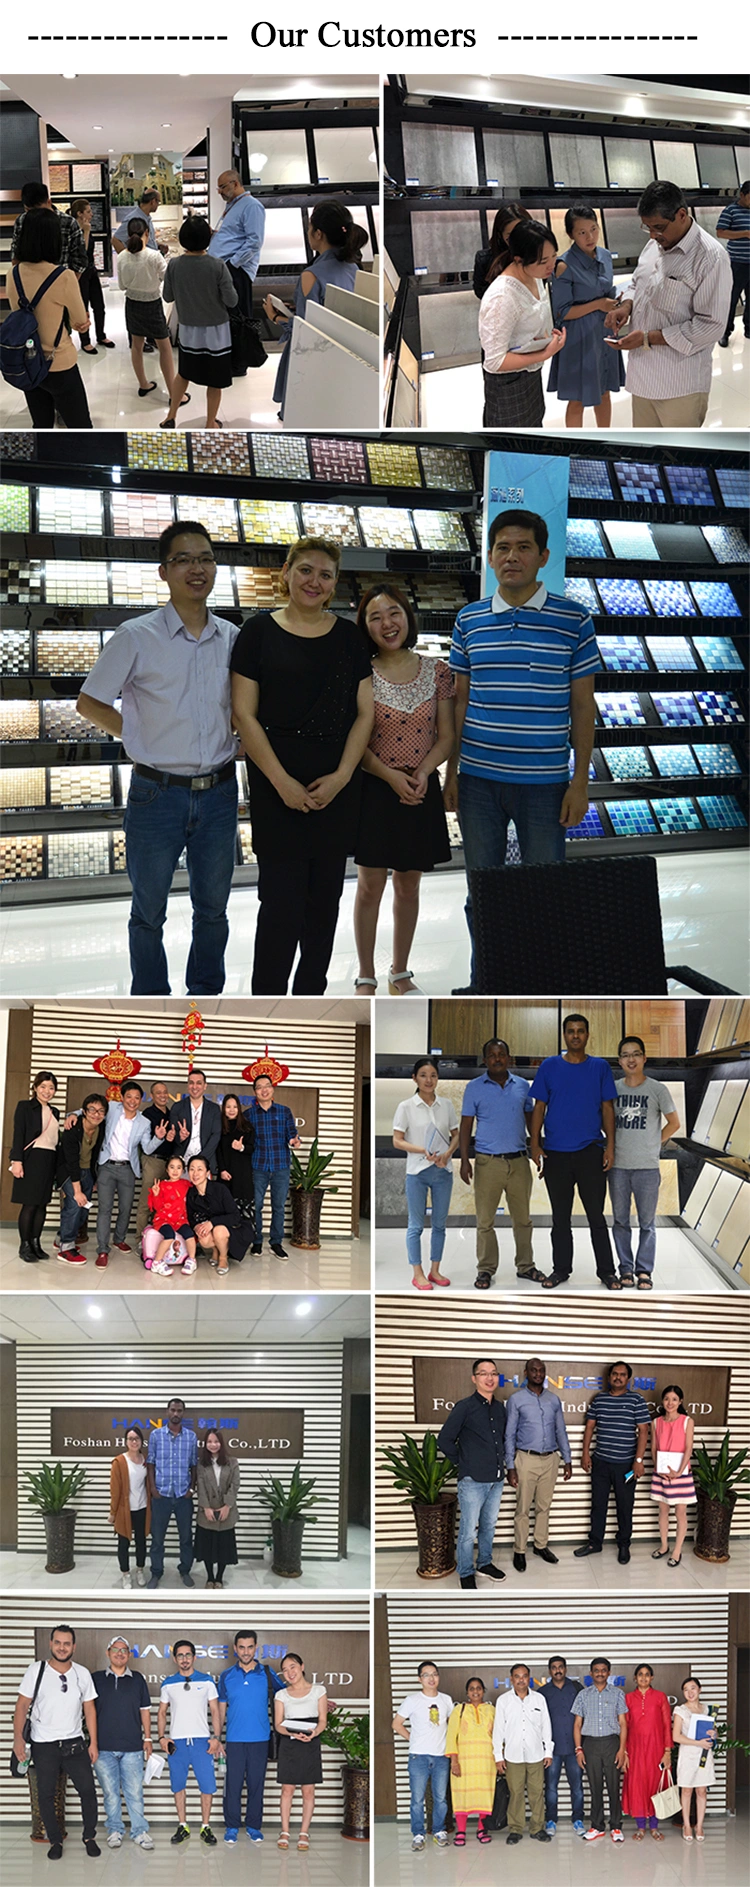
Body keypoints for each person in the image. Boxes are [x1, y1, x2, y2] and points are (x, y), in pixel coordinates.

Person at [77, 521, 240, 995]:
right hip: (156, 794)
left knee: (213, 909)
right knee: (148, 912)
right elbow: (90, 702)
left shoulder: (232, 636)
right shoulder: (136, 635)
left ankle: (205, 995)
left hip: (219, 791)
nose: (197, 568)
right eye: (184, 560)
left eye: (206, 559)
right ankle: (150, 996)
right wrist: (140, 733)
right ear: (164, 571)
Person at [445, 512, 598, 986]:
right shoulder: (469, 620)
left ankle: (539, 978)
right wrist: (451, 775)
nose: (512, 556)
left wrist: (579, 782)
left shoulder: (573, 619)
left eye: (524, 547)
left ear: (543, 556)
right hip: (477, 783)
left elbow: (582, 706)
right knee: (483, 892)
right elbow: (460, 701)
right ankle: (485, 978)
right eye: (503, 547)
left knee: (544, 891)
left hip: (545, 785)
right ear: (490, 556)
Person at [230, 535, 373, 994]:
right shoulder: (257, 632)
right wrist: (281, 783)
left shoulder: (350, 637)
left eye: (325, 575)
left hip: (336, 785)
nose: (314, 581)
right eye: (306, 570)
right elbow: (243, 714)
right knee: (279, 904)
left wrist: (343, 776)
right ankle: (267, 996)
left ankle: (311, 989)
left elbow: (365, 713)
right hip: (276, 784)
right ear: (286, 573)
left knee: (325, 902)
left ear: (334, 586)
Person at [353, 585, 454, 996]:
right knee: (370, 883)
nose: (386, 624)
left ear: (408, 616)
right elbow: (355, 742)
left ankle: (400, 971)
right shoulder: (360, 670)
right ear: (365, 626)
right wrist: (391, 775)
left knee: (409, 883)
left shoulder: (438, 670)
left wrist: (424, 773)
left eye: (393, 613)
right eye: (375, 617)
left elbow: (446, 735)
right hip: (375, 787)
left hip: (420, 785)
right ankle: (365, 973)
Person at [604, 179, 732, 427]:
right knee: (646, 455)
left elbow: (711, 326)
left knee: (680, 458)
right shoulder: (655, 243)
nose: (653, 235)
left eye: (659, 227)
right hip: (642, 378)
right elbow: (637, 284)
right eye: (647, 228)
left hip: (680, 385)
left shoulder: (711, 257)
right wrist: (626, 306)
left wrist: (646, 338)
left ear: (681, 215)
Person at [529, 1013, 618, 1290]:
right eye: (571, 1031)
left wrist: (610, 1147)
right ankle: (561, 1270)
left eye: (580, 1031)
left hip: (591, 1151)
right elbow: (539, 1108)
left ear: (587, 1035)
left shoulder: (600, 1067)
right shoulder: (549, 1066)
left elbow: (607, 1109)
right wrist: (535, 1144)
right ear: (564, 1035)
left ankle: (607, 1271)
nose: (576, 1035)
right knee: (560, 1218)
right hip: (555, 1154)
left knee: (596, 1217)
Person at [264, 201, 367, 420]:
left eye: (310, 228)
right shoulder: (354, 267)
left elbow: (305, 328)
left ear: (318, 234)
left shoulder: (311, 275)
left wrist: (275, 316)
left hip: (311, 358)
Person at [459, 1038, 541, 1289]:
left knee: (523, 1220)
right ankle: (485, 1270)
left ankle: (525, 1266)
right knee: (485, 1221)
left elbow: (531, 1121)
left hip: (518, 1162)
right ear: (485, 1060)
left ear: (509, 1058)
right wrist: (464, 1160)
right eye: (492, 1055)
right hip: (487, 1163)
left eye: (502, 1054)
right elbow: (465, 1126)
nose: (497, 1058)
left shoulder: (522, 1086)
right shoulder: (474, 1087)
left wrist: (537, 1148)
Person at [13, 1625, 100, 1861]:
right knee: (46, 1795)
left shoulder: (82, 1673)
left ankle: (89, 1837)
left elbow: (89, 1709)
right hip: (44, 1745)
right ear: (51, 1644)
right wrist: (18, 1739)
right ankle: (55, 1840)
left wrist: (93, 1743)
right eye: (58, 1643)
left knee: (88, 1792)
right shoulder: (36, 1670)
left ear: (74, 1646)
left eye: (67, 1643)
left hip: (75, 1744)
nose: (62, 1647)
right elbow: (21, 1706)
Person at [7, 210, 93, 429]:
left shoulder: (13, 273)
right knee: (80, 426)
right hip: (59, 362)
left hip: (27, 361)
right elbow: (79, 321)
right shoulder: (62, 276)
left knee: (42, 426)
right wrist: (82, 321)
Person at [478, 220, 565, 425]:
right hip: (508, 385)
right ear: (519, 260)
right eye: (543, 261)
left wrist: (544, 337)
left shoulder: (534, 274)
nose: (551, 265)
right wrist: (545, 353)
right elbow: (494, 362)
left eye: (554, 256)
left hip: (531, 374)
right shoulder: (502, 296)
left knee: (535, 425)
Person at [610, 1036, 680, 1288]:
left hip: (648, 1168)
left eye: (636, 1054)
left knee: (647, 1223)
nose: (631, 1059)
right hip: (618, 1166)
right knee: (620, 1221)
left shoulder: (657, 1089)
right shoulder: (613, 1088)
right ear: (619, 1060)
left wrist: (654, 1143)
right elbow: (603, 1120)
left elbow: (674, 1123)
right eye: (626, 1055)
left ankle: (644, 1270)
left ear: (644, 1058)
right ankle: (625, 1269)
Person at [548, 204, 624, 426]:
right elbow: (561, 312)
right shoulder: (563, 265)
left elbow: (607, 290)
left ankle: (605, 437)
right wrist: (598, 304)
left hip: (605, 329)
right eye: (582, 232)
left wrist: (616, 304)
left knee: (605, 392)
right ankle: (575, 444)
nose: (590, 237)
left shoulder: (605, 255)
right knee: (577, 399)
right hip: (578, 336)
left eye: (593, 229)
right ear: (571, 234)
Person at [160, 217, 238, 429]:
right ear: (208, 239)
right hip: (217, 333)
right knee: (215, 380)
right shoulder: (218, 265)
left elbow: (167, 297)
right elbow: (232, 300)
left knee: (184, 373)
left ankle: (171, 416)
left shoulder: (174, 265)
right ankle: (211, 422)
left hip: (188, 330)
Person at [436, 1359, 506, 1588]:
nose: (489, 1378)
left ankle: (484, 1563)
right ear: (474, 1378)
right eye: (484, 1373)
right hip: (473, 1480)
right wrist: (463, 1462)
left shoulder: (499, 1408)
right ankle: (466, 1571)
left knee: (489, 1524)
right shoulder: (464, 1407)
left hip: (496, 1479)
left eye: (494, 1373)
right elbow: (444, 1440)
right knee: (468, 1530)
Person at [573, 1361, 650, 1565]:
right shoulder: (599, 1399)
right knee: (598, 1504)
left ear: (628, 1378)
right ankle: (595, 1543)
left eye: (622, 1374)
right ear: (609, 1377)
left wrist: (639, 1461)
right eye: (614, 1374)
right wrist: (585, 1454)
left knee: (625, 1507)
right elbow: (590, 1427)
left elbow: (644, 1431)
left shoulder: (636, 1400)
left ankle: (624, 1544)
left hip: (626, 1466)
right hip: (600, 1463)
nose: (618, 1377)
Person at [392, 1057, 458, 1290]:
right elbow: (397, 1141)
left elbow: (456, 1134)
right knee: (416, 1226)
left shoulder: (446, 1105)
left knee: (439, 1224)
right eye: (423, 1075)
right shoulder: (406, 1107)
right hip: (417, 1172)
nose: (429, 1080)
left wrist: (448, 1153)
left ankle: (435, 1270)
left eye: (433, 1075)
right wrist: (423, 1150)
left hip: (442, 1171)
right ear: (414, 1078)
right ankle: (417, 1272)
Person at [218, 1630, 284, 1846]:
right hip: (234, 1741)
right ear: (235, 1649)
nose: (245, 1652)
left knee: (257, 1785)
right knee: (233, 1786)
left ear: (256, 1648)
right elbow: (219, 1709)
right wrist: (217, 1738)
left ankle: (254, 1826)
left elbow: (287, 1696)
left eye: (250, 1647)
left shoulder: (266, 1673)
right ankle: (232, 1826)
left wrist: (317, 1704)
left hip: (260, 1740)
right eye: (241, 1647)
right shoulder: (227, 1675)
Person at [505, 1358, 572, 1571]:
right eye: (534, 1370)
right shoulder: (516, 1400)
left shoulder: (554, 1400)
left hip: (551, 1459)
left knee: (544, 1506)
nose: (538, 1373)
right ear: (526, 1372)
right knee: (523, 1508)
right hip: (526, 1459)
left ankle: (541, 1545)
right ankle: (520, 1550)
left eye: (541, 1370)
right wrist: (510, 1466)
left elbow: (561, 1430)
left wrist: (567, 1460)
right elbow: (509, 1434)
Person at [94, 1081, 165, 1267]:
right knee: (105, 1208)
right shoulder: (111, 1108)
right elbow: (90, 1110)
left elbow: (147, 1148)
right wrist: (73, 1116)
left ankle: (119, 1239)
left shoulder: (144, 1122)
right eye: (129, 1097)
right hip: (106, 1166)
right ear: (122, 1097)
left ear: (141, 1100)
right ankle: (102, 1249)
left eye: (136, 1097)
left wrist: (159, 1137)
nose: (132, 1101)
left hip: (127, 1169)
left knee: (125, 1208)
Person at [158, 1639, 222, 1847]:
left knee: (207, 1787)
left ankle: (205, 1827)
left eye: (188, 1655)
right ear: (175, 1658)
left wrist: (216, 1738)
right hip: (176, 1743)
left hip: (202, 1742)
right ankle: (183, 1826)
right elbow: (161, 1712)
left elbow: (215, 1711)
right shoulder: (168, 1683)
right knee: (178, 1786)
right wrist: (161, 1737)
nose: (184, 1659)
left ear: (194, 1657)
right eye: (180, 1655)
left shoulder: (207, 1681)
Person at [91, 1636, 153, 1850]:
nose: (119, 1653)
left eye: (124, 1650)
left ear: (129, 1654)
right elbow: (86, 1710)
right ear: (108, 1653)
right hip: (103, 1748)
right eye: (115, 1649)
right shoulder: (96, 1679)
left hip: (133, 1748)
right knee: (110, 1793)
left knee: (134, 1792)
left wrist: (147, 1738)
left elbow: (145, 1710)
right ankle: (115, 1830)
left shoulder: (137, 1679)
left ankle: (139, 1831)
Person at [116, 217, 184, 409]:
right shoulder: (154, 256)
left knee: (136, 346)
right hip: (152, 305)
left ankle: (143, 384)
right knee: (165, 347)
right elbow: (166, 278)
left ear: (128, 235)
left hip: (132, 304)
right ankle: (173, 394)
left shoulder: (121, 256)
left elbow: (121, 286)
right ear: (147, 233)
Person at [392, 1660, 452, 1853]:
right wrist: (413, 1739)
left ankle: (439, 1831)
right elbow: (396, 1724)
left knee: (440, 1798)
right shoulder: (412, 1700)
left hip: (441, 1756)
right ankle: (418, 1834)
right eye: (426, 1675)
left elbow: (452, 1726)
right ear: (420, 1679)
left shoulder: (446, 1700)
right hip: (418, 1757)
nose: (431, 1678)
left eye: (434, 1674)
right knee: (417, 1798)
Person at [274, 1650, 328, 1854]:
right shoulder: (281, 1694)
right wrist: (292, 1734)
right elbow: (278, 1725)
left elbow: (323, 1720)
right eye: (285, 1670)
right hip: (289, 1742)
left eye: (293, 1667)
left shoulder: (319, 1691)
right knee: (287, 1789)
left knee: (308, 1790)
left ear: (302, 1666)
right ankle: (285, 1831)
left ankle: (304, 1832)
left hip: (310, 1741)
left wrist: (313, 1733)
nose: (289, 1672)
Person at [492, 1664, 553, 1845]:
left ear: (529, 1678)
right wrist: (498, 1756)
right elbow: (498, 1730)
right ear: (511, 1679)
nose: (521, 1680)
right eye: (517, 1676)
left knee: (537, 1794)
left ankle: (537, 1828)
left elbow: (546, 1726)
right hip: (513, 1756)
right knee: (516, 1793)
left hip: (536, 1755)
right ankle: (516, 1829)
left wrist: (548, 1751)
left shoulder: (539, 1699)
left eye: (524, 1676)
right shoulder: (503, 1701)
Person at [572, 1658, 627, 1843]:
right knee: (595, 1788)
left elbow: (623, 1723)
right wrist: (579, 1749)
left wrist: (622, 1750)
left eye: (604, 1670)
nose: (600, 1673)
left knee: (613, 1787)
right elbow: (577, 1724)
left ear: (609, 1673)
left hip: (612, 1743)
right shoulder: (583, 1695)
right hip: (591, 1745)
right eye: (596, 1670)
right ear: (591, 1673)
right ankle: (597, 1826)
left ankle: (616, 1826)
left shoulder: (618, 1694)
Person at [10, 1069, 61, 1263]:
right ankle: (24, 1245)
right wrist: (17, 1161)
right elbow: (18, 1135)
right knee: (29, 1204)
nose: (47, 1091)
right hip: (31, 1158)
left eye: (51, 1088)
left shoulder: (54, 1111)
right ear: (35, 1087)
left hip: (49, 1159)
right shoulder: (24, 1107)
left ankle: (35, 1243)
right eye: (43, 1087)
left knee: (42, 1204)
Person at [249, 1075, 302, 1259]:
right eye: (259, 1087)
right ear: (254, 1092)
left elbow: (292, 1134)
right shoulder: (249, 1114)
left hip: (281, 1166)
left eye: (267, 1086)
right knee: (256, 1206)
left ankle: (276, 1243)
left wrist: (295, 1141)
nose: (264, 1090)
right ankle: (256, 1242)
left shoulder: (284, 1111)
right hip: (258, 1166)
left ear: (273, 1089)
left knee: (278, 1206)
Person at [146, 1396, 197, 1587]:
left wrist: (192, 1489)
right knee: (157, 1539)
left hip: (184, 1496)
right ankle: (156, 1572)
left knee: (186, 1538)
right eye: (173, 1410)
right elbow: (150, 1463)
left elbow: (194, 1465)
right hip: (161, 1496)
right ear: (167, 1412)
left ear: (183, 1413)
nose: (176, 1414)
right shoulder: (156, 1435)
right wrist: (153, 1489)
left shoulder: (191, 1437)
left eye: (180, 1411)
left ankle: (185, 1570)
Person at [208, 170, 266, 331]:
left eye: (222, 187)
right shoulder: (233, 206)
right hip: (225, 268)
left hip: (236, 271)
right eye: (218, 188)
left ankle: (242, 355)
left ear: (235, 183)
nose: (219, 191)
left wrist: (233, 264)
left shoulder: (251, 206)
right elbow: (233, 235)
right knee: (227, 318)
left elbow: (255, 242)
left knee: (238, 319)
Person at [621, 1664, 673, 1841]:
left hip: (656, 1749)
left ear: (652, 1678)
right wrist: (625, 1753)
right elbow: (624, 1726)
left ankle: (655, 1827)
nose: (644, 1678)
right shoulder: (628, 1698)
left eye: (647, 1675)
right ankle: (641, 1827)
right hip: (634, 1750)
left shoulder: (660, 1697)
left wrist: (667, 1751)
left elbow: (667, 1725)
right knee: (637, 1786)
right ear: (635, 1678)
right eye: (640, 1675)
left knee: (655, 1785)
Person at [56, 1092, 108, 1264]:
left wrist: (93, 1179)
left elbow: (94, 1157)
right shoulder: (73, 1129)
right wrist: (77, 1190)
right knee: (74, 1206)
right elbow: (71, 1162)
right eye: (92, 1109)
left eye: (101, 1111)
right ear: (84, 1112)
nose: (96, 1114)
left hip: (87, 1172)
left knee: (83, 1209)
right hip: (70, 1173)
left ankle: (61, 1238)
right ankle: (66, 1247)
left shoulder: (101, 1128)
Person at [445, 1678, 495, 1846]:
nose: (475, 1691)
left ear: (483, 1690)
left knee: (485, 1795)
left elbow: (498, 1735)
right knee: (461, 1795)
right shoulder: (458, 1710)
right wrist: (454, 1761)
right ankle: (461, 1831)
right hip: (464, 1762)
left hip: (486, 1761)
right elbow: (451, 1736)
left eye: (479, 1688)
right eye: (472, 1688)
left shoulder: (491, 1710)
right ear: (467, 1692)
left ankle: (482, 1829)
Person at [650, 1384, 696, 1567]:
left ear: (680, 1401)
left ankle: (677, 1550)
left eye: (674, 1399)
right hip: (661, 1473)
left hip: (681, 1474)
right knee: (663, 1510)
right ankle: (663, 1546)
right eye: (667, 1399)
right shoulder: (656, 1422)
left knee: (680, 1512)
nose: (670, 1403)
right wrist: (658, 1467)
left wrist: (678, 1471)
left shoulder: (687, 1421)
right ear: (663, 1401)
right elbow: (653, 1447)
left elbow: (688, 1448)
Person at [185, 1153, 254, 1274]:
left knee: (218, 1230)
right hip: (212, 1227)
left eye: (200, 1169)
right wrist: (197, 1227)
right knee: (203, 1239)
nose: (195, 1174)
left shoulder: (220, 1189)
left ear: (207, 1173)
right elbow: (191, 1216)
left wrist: (212, 1223)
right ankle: (216, 1249)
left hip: (233, 1227)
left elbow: (235, 1216)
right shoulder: (191, 1193)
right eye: (192, 1169)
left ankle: (223, 1257)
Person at [543, 1658, 585, 1837]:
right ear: (550, 1671)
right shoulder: (542, 1693)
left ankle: (578, 1820)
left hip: (574, 1748)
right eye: (554, 1668)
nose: (557, 1670)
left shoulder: (577, 1689)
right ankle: (551, 1820)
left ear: (565, 1669)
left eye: (560, 1667)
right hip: (552, 1750)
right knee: (551, 1787)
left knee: (577, 1787)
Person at [194, 1426, 240, 1588]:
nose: (213, 1445)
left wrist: (227, 1506)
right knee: (207, 1548)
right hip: (207, 1512)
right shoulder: (201, 1464)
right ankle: (210, 1577)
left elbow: (235, 1485)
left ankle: (219, 1578)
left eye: (216, 1441)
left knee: (223, 1548)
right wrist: (206, 1508)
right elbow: (200, 1486)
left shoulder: (232, 1462)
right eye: (209, 1441)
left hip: (226, 1511)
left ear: (221, 1443)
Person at [11, 180, 88, 274]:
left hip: (60, 281)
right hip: (29, 281)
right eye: (29, 211)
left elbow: (80, 261)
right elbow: (15, 256)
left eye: (38, 210)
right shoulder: (21, 221)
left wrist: (69, 282)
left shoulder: (68, 222)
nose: (34, 216)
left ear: (49, 202)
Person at [673, 1676, 716, 1841]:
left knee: (701, 1790)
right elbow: (676, 1736)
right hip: (688, 1755)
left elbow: (713, 1732)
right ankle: (686, 1825)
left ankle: (699, 1826)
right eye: (686, 1689)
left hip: (704, 1755)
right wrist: (697, 1742)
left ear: (699, 1689)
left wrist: (714, 1734)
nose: (689, 1692)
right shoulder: (680, 1710)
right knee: (686, 1790)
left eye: (692, 1688)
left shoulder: (706, 1710)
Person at [70, 198, 114, 354]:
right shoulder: (74, 229)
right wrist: (86, 231)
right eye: (88, 211)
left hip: (91, 271)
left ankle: (101, 335)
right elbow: (83, 252)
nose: (91, 214)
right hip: (80, 273)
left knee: (99, 305)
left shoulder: (85, 227)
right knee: (83, 307)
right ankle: (85, 341)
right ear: (79, 213)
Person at [110, 1423, 151, 1588]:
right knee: (124, 1542)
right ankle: (125, 1574)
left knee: (141, 1541)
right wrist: (113, 1512)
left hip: (142, 1508)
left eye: (137, 1438)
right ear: (126, 1441)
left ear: (141, 1441)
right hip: (124, 1510)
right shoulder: (119, 1462)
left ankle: (140, 1570)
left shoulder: (146, 1460)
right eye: (131, 1439)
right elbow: (115, 1490)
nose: (134, 1442)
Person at [135, 1080, 176, 1238]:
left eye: (165, 1092)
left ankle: (158, 1237)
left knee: (164, 1203)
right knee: (147, 1201)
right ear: (151, 1095)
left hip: (169, 1164)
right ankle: (140, 1238)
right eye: (158, 1093)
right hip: (153, 1161)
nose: (162, 1095)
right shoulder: (147, 1115)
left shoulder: (171, 1113)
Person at [147, 1154, 197, 1276]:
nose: (175, 1171)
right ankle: (157, 1262)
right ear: (167, 1169)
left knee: (190, 1235)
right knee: (169, 1235)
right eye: (172, 1167)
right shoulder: (162, 1185)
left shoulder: (187, 1184)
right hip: (163, 1219)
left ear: (183, 1170)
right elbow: (157, 1208)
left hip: (180, 1220)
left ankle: (191, 1260)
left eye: (179, 1167)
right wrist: (156, 1194)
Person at [473, 203, 531, 301]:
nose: (517, 241)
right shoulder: (484, 259)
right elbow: (481, 292)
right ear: (500, 235)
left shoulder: (535, 256)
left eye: (523, 234)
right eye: (510, 237)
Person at [169, 1068, 222, 1174]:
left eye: (199, 1083)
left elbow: (216, 1136)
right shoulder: (177, 1107)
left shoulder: (214, 1109)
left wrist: (200, 1160)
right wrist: (180, 1137)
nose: (194, 1087)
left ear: (205, 1086)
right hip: (181, 1164)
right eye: (191, 1083)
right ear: (188, 1085)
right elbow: (173, 1135)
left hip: (205, 1163)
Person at [717, 182, 750, 346]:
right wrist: (745, 233)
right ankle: (724, 332)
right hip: (737, 263)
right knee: (731, 299)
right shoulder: (731, 210)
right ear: (742, 195)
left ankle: (749, 328)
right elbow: (720, 232)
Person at [218, 1093, 256, 1216]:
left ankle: (247, 1235)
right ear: (223, 1108)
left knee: (245, 1212)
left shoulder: (247, 1127)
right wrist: (222, 1169)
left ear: (239, 1108)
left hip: (243, 1176)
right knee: (225, 1209)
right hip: (225, 1175)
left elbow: (252, 1148)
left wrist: (241, 1147)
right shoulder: (219, 1127)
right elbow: (217, 1150)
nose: (232, 1110)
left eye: (235, 1107)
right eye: (228, 1107)